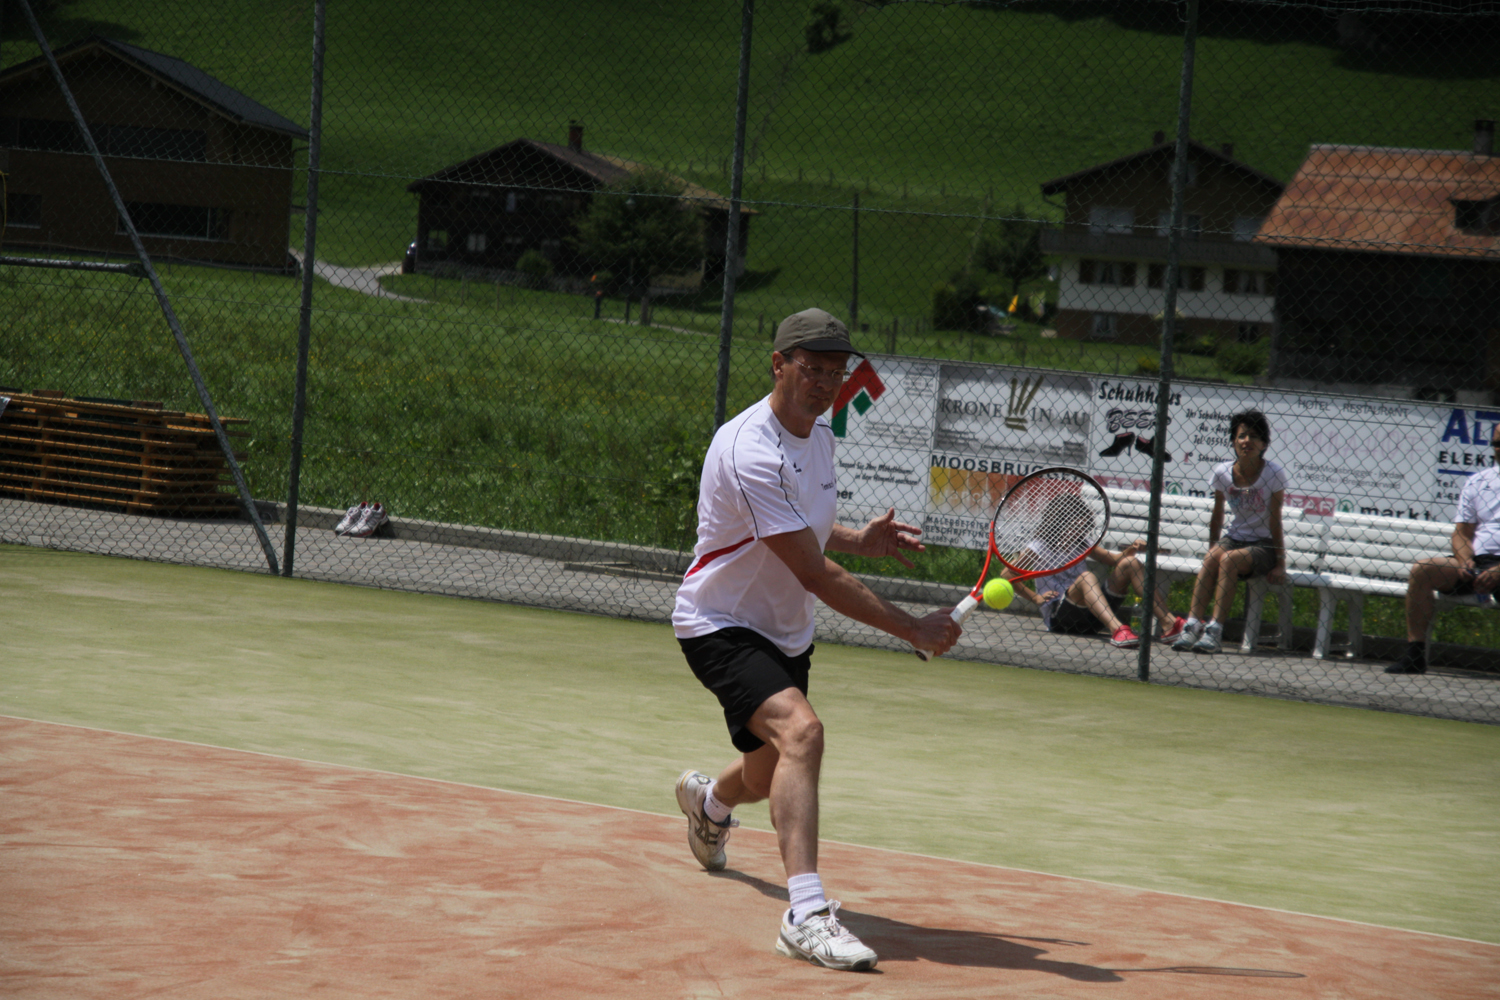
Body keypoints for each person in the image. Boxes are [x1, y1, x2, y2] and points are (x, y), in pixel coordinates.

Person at [671, 307, 961, 972]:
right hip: (720, 623)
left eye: (836, 371)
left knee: (763, 773)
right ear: (779, 364)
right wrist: (912, 627)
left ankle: (709, 805)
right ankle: (805, 914)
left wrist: (859, 538)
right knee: (803, 733)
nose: (826, 382)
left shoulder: (820, 433)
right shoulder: (750, 449)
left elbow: (805, 529)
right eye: (813, 368)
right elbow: (812, 571)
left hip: (787, 633)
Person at [1386, 425, 1500, 674]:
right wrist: (1465, 559)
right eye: (1496, 444)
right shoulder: (1479, 481)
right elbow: (1461, 533)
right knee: (1423, 570)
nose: (1499, 449)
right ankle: (1415, 656)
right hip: (1478, 562)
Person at [1172, 409, 1287, 654]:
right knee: (1213, 557)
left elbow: (1275, 520)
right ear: (1233, 441)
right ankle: (1192, 626)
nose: (1247, 441)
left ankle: (1214, 632)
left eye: (1254, 436)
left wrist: (1280, 563)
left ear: (1264, 444)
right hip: (1234, 538)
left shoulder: (1273, 473)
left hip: (1263, 544)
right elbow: (1217, 515)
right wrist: (1212, 548)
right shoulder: (1222, 472)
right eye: (1242, 436)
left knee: (1229, 560)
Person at [1006, 492, 1185, 649]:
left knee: (1130, 563)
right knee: (1087, 577)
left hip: (1093, 616)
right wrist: (1035, 598)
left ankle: (1169, 624)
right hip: (1060, 618)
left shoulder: (1081, 543)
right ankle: (1118, 630)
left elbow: (1114, 560)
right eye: (1076, 520)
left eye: (1082, 521)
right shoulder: (1040, 546)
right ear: (1060, 520)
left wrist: (1133, 548)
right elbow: (1007, 574)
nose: (1081, 526)